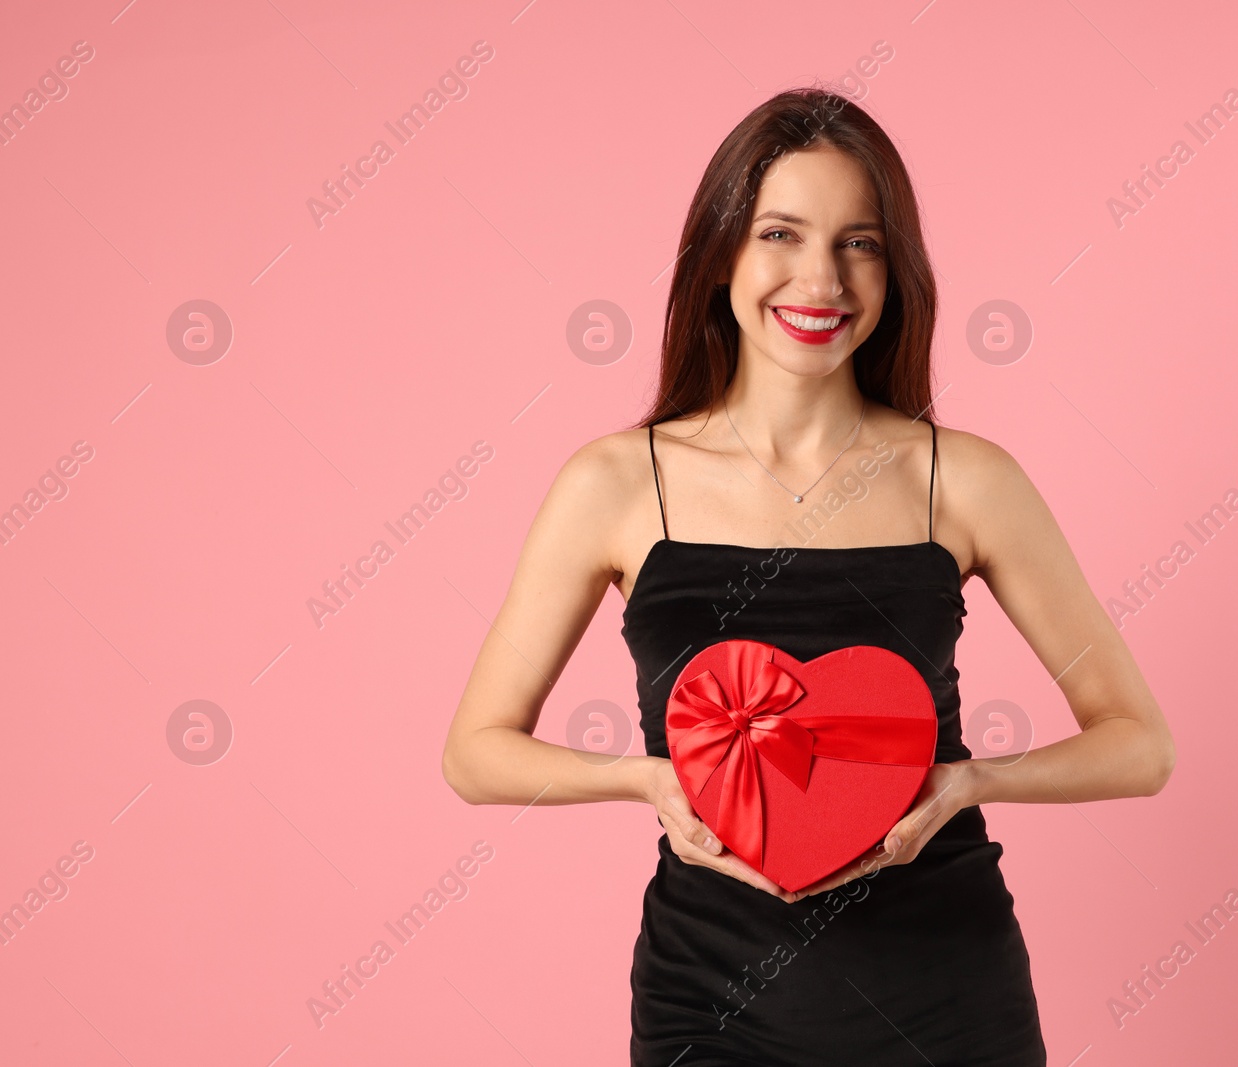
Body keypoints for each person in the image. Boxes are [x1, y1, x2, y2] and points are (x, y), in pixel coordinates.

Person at [441, 87, 1175, 1065]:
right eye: (781, 233)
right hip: (710, 1003)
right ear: (720, 255)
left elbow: (1140, 745)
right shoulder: (616, 482)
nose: (820, 278)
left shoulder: (963, 480)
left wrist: (964, 782)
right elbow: (475, 753)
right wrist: (645, 781)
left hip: (948, 995)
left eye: (859, 242)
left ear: (895, 267)